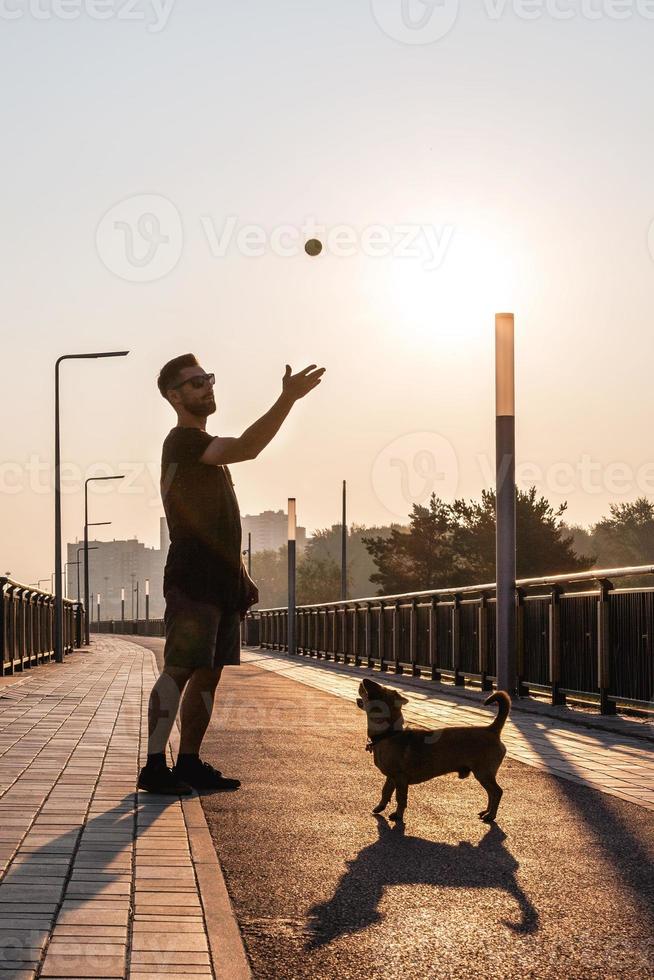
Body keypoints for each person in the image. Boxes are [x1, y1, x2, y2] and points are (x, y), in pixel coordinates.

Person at [137, 354, 326, 794]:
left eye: (208, 379)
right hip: (192, 579)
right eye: (195, 382)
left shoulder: (200, 448)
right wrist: (287, 399)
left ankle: (188, 762)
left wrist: (240, 575)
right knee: (181, 668)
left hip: (221, 582)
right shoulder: (182, 442)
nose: (207, 387)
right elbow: (247, 447)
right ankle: (153, 766)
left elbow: (215, 523)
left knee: (210, 673)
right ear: (174, 395)